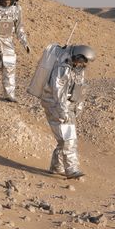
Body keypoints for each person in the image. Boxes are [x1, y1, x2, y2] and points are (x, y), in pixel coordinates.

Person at [40, 44, 95, 179]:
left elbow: (80, 89)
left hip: (68, 106)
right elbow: (58, 92)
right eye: (81, 61)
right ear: (77, 57)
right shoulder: (62, 69)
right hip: (55, 105)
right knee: (69, 139)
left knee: (64, 139)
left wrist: (78, 107)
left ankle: (56, 166)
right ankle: (71, 169)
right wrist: (62, 111)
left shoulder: (78, 70)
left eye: (85, 62)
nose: (83, 64)